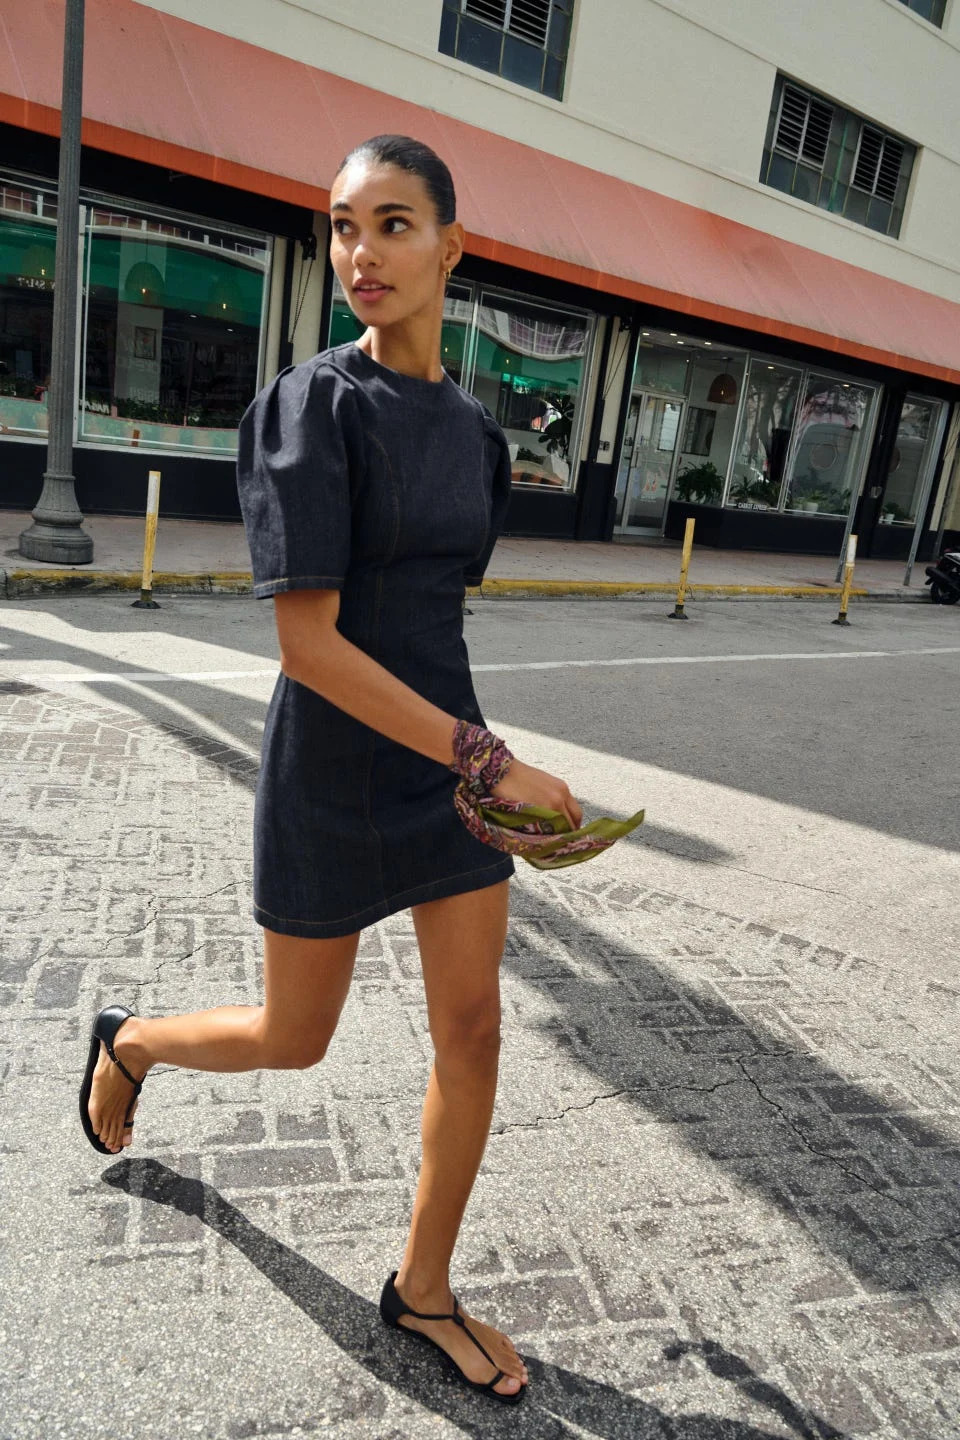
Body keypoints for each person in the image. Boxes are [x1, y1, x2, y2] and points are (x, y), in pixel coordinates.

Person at [80, 134, 584, 1405]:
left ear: (452, 249)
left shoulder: (473, 432)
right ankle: (132, 1039)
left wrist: (482, 772)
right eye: (344, 227)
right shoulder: (312, 408)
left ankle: (423, 1290)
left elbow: (432, 618)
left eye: (395, 224)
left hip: (446, 769)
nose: (363, 251)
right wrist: (496, 757)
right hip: (337, 767)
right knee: (292, 1038)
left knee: (473, 1028)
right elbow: (311, 646)